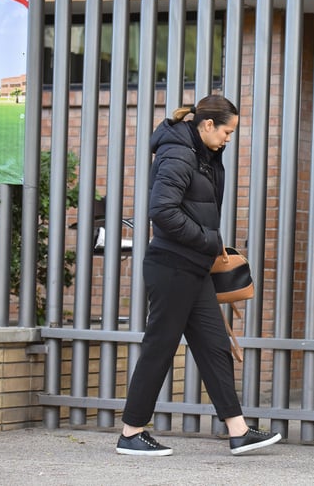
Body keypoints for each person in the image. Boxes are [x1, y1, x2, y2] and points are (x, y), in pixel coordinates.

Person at [116, 95, 281, 456]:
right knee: (159, 348)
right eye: (227, 131)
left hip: (194, 266)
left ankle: (237, 430)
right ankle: (131, 432)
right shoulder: (178, 153)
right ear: (207, 125)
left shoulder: (201, 155)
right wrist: (209, 239)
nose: (228, 138)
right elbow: (161, 210)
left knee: (214, 346)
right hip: (172, 265)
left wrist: (206, 245)